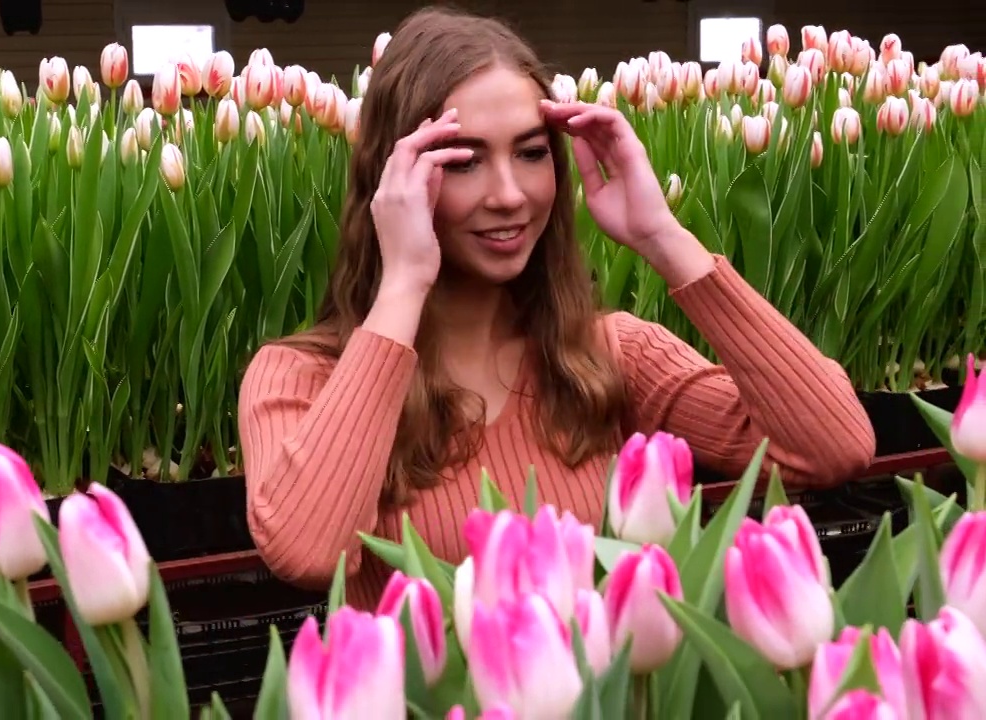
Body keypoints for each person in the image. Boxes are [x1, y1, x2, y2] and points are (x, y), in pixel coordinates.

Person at [237, 6, 875, 608]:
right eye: (464, 162)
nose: (510, 195)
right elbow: (307, 551)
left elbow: (834, 446)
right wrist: (403, 284)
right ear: (395, 180)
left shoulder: (607, 355)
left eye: (532, 152)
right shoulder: (301, 379)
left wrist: (662, 237)